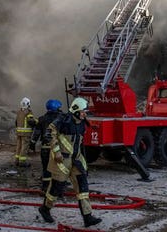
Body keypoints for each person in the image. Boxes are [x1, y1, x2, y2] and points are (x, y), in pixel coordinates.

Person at [38, 97, 102, 228]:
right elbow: (49, 133)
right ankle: (45, 209)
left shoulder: (83, 123)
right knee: (57, 187)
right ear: (76, 111)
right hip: (61, 160)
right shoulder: (63, 120)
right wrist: (56, 151)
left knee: (83, 187)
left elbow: (80, 143)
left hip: (76, 160)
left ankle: (87, 217)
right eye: (83, 111)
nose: (85, 114)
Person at [31, 99, 63, 192]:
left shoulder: (42, 119)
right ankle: (57, 189)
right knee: (59, 169)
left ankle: (45, 187)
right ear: (56, 108)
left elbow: (36, 133)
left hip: (45, 148)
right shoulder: (61, 118)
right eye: (59, 108)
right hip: (57, 149)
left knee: (46, 169)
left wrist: (32, 143)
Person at [14, 97, 37, 167]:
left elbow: (16, 122)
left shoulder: (19, 111)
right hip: (26, 133)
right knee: (24, 147)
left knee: (19, 146)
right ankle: (22, 162)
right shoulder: (28, 111)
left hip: (19, 133)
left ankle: (17, 161)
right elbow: (31, 121)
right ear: (28, 104)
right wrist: (37, 121)